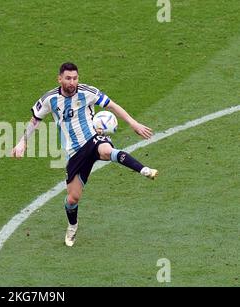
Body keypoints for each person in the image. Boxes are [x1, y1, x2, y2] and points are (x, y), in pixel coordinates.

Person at [12, 62, 158, 247]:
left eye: (75, 78)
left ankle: (144, 170)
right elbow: (35, 121)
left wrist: (133, 123)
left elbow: (112, 105)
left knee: (107, 151)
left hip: (92, 139)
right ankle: (72, 226)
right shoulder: (50, 99)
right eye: (68, 78)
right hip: (74, 153)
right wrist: (22, 141)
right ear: (60, 79)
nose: (72, 82)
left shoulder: (88, 92)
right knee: (73, 199)